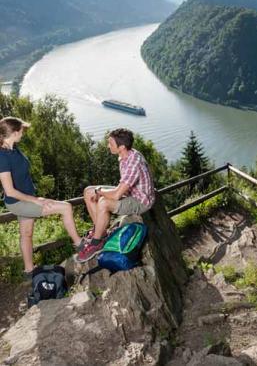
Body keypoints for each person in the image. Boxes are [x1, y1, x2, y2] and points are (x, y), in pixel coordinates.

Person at [0, 117, 83, 278]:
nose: (23, 134)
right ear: (15, 133)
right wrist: (36, 200)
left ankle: (29, 270)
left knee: (26, 233)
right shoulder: (2, 157)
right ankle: (80, 244)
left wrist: (34, 197)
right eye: (22, 131)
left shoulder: (13, 149)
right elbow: (10, 191)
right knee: (66, 207)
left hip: (26, 198)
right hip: (18, 202)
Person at [78, 128, 155, 262]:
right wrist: (97, 191)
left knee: (103, 202)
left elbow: (116, 195)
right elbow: (123, 188)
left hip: (141, 200)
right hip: (129, 192)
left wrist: (99, 192)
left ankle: (96, 244)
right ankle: (100, 232)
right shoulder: (126, 154)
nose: (108, 146)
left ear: (122, 147)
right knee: (88, 191)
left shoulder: (133, 163)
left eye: (111, 144)